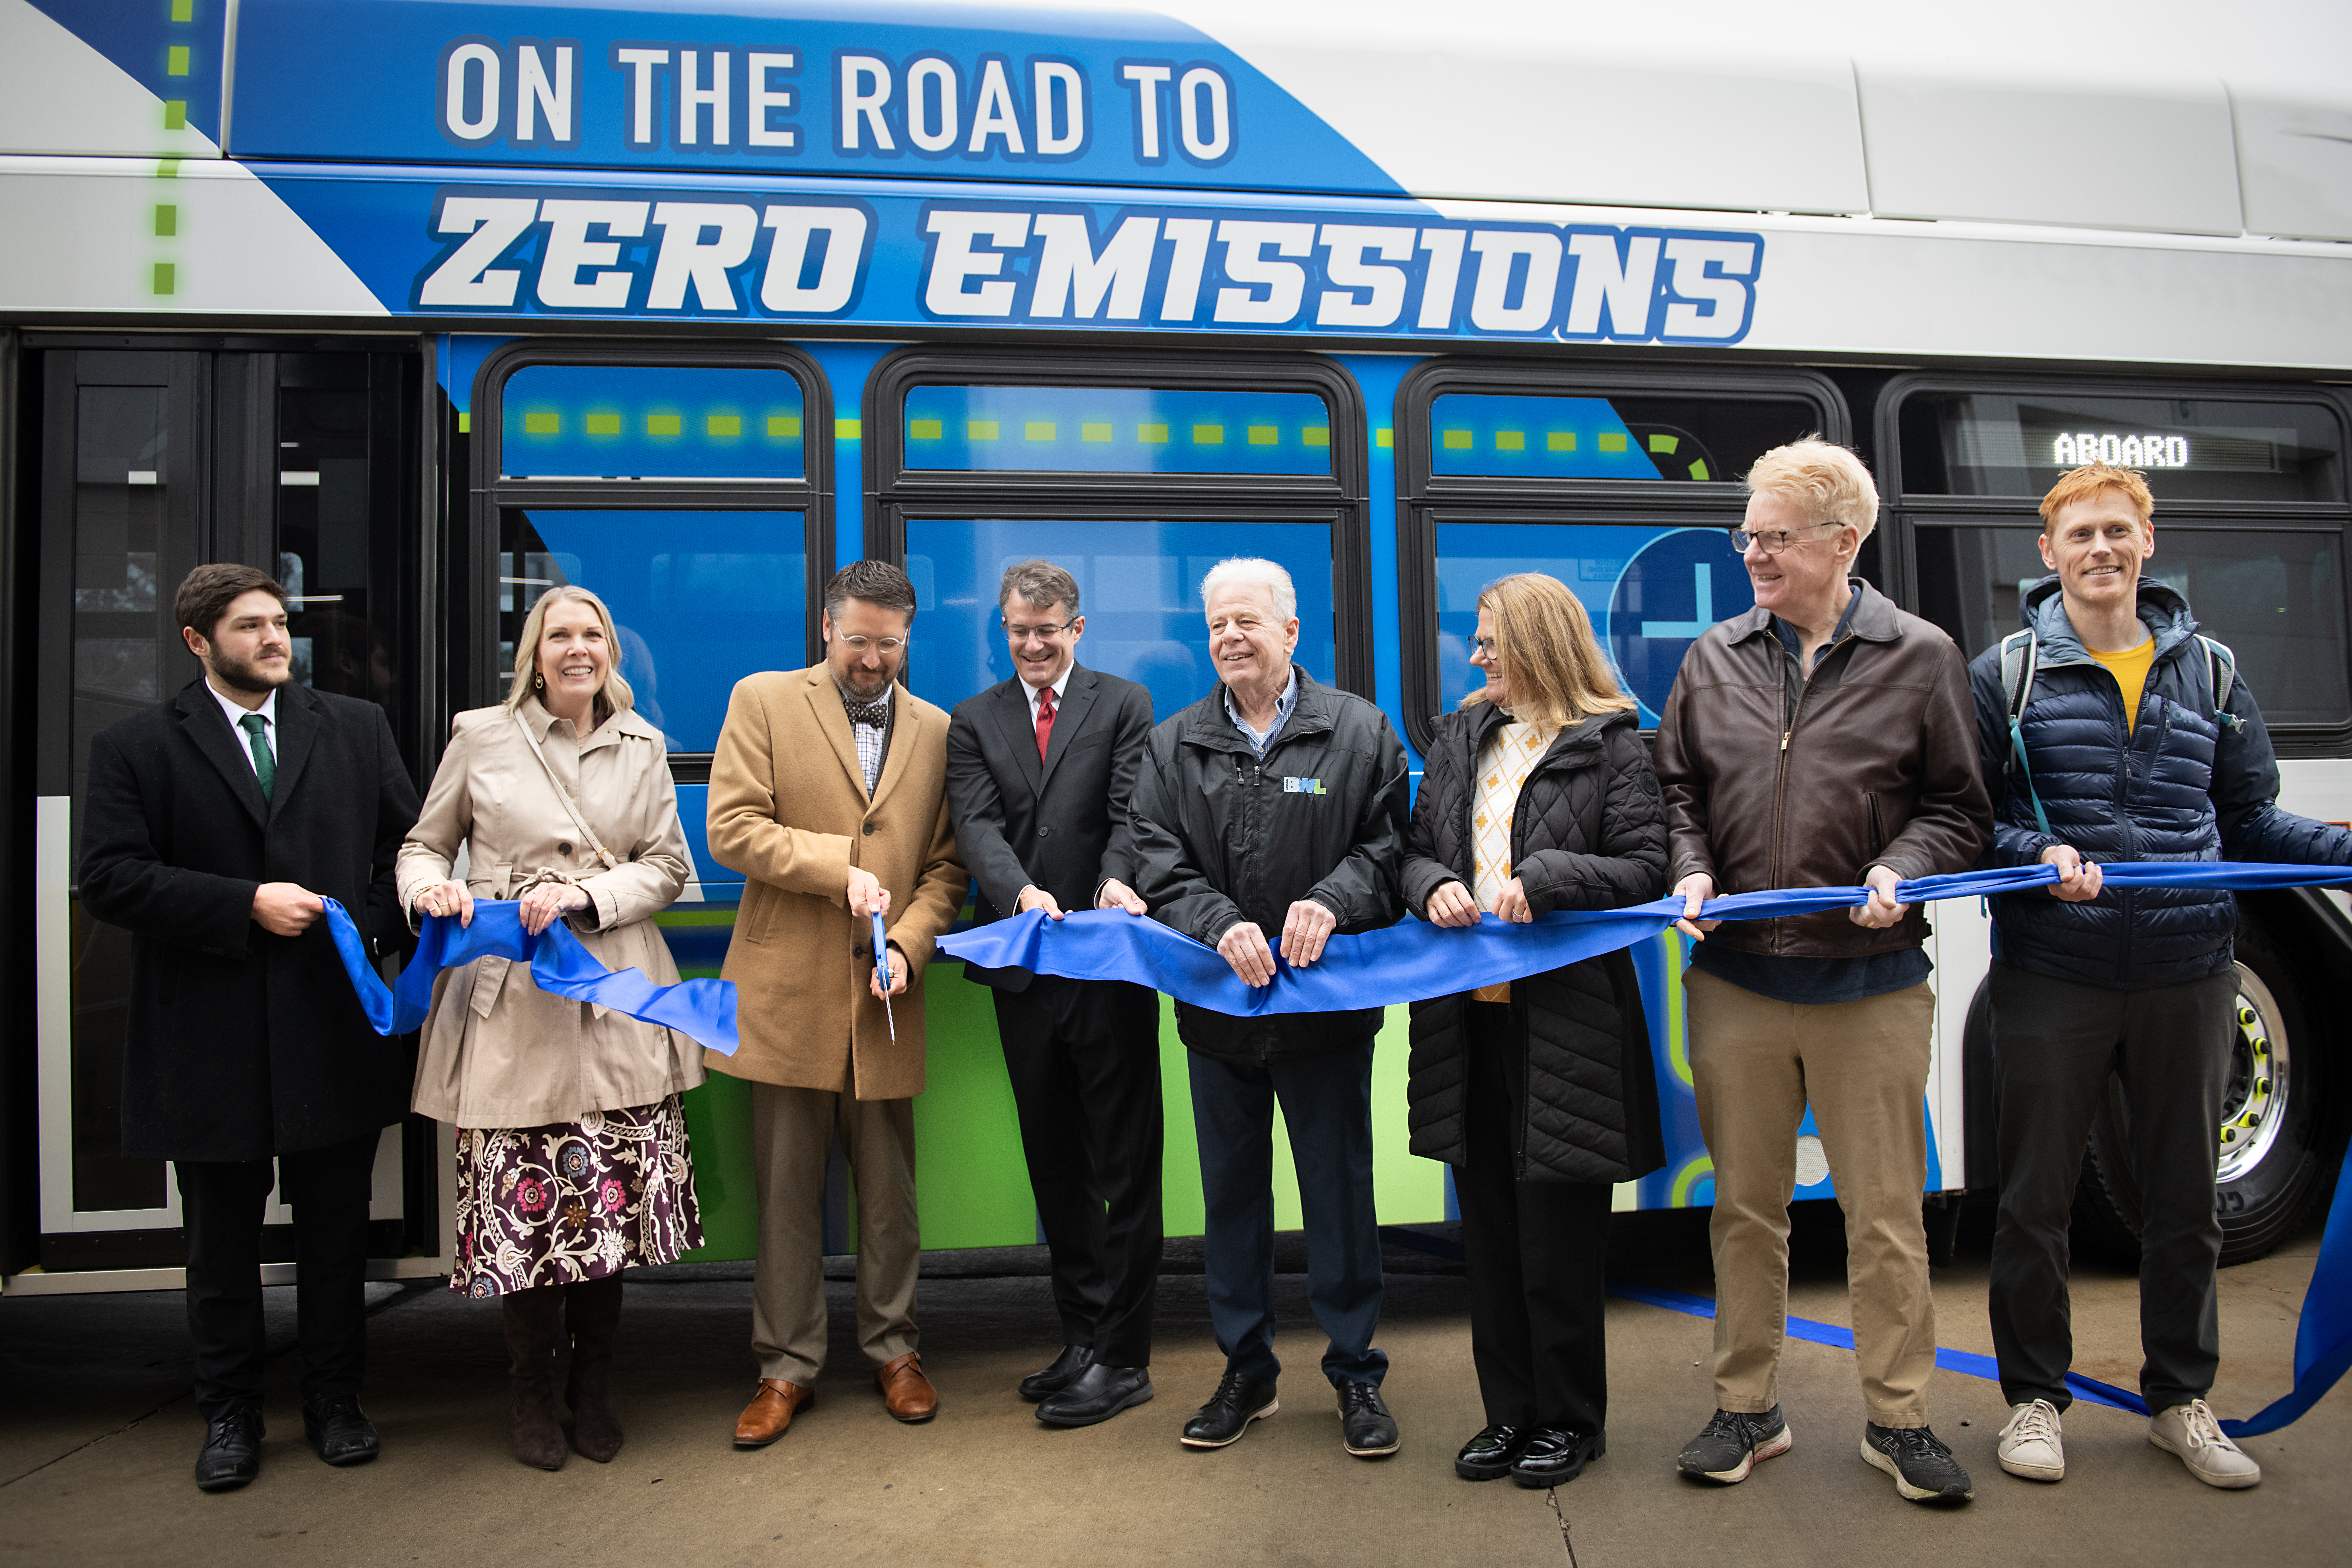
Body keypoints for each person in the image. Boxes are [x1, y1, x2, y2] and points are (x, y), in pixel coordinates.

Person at [1968, 462, 2352, 1491]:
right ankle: (2034, 1403)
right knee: (2035, 1202)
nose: (2101, 549)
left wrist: (2339, 845)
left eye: (2118, 532)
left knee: (2189, 1200)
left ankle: (2182, 1400)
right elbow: (1970, 821)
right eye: (2081, 534)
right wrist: (2035, 854)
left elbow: (2255, 819)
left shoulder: (2212, 670)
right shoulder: (2005, 674)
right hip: (2055, 971)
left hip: (2192, 970)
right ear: (2047, 556)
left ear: (2149, 542)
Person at [1652, 439, 1992, 1504]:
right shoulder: (1712, 657)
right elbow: (1677, 795)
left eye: (1774, 537)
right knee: (1744, 1211)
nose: (1752, 554)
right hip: (1739, 983)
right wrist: (1695, 872)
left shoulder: (1923, 655)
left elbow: (1960, 809)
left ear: (1844, 542)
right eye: (1745, 536)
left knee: (1886, 1215)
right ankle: (1747, 1407)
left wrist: (1905, 865)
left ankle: (1899, 1420)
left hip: (1873, 984)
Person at [77, 563, 420, 1493]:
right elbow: (109, 877)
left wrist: (370, 926)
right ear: (199, 642)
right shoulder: (137, 746)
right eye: (252, 627)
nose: (276, 639)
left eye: (279, 623)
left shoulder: (353, 728)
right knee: (220, 1248)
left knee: (334, 1241)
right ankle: (228, 1417)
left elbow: (412, 848)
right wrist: (242, 905)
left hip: (331, 1028)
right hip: (207, 1038)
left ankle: (335, 1403)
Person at [397, 585, 706, 1471]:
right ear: (533, 652)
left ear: (612, 650)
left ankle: (593, 1391)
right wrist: (433, 891)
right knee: (524, 1217)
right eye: (560, 635)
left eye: (594, 634)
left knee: (605, 1217)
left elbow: (669, 868)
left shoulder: (644, 745)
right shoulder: (481, 738)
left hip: (614, 996)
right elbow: (423, 844)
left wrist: (586, 896)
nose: (579, 649)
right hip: (510, 1007)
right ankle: (531, 1396)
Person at [1129, 556, 1411, 1459]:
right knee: (1233, 1203)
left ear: (1293, 633)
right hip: (1217, 1021)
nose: (1229, 638)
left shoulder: (1361, 734)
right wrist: (1215, 924)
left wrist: (1333, 899)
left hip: (1325, 1017)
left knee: (1339, 1195)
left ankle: (1357, 1375)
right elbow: (1154, 859)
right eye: (1216, 624)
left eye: (1247, 621)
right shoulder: (1173, 746)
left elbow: (1388, 850)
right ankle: (1246, 1373)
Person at [1400, 573, 1669, 1488]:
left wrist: (1546, 875)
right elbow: (1416, 845)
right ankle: (1507, 1415)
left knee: (1558, 1239)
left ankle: (1569, 1421)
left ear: (1541, 645)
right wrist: (1429, 883)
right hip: (1464, 1027)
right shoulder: (1458, 737)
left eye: (1490, 642)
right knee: (1489, 1238)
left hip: (1567, 1024)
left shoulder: (1614, 749)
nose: (1475, 659)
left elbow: (1644, 869)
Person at [707, 560, 968, 1445]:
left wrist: (908, 943)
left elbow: (946, 869)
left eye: (888, 644)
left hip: (885, 997)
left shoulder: (937, 728)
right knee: (784, 1193)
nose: (871, 658)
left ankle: (897, 1352)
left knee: (890, 1194)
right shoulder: (765, 699)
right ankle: (784, 1369)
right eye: (857, 640)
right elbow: (731, 826)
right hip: (784, 994)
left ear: (908, 639)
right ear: (827, 628)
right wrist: (837, 871)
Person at [944, 560, 1164, 1428]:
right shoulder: (974, 720)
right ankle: (1081, 1337)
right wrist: (1020, 893)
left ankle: (1127, 1354)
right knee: (1057, 1164)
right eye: (1017, 631)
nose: (1032, 645)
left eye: (1047, 630)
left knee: (1124, 1164)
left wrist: (1106, 884)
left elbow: (1130, 816)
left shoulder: (1125, 704)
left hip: (1106, 966)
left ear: (1078, 628)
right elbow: (977, 825)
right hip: (1023, 968)